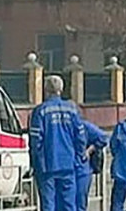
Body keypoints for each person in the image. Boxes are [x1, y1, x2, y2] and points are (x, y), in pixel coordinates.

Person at [30, 75, 86, 211]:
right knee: (68, 204)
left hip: (47, 165)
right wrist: (79, 157)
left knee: (48, 204)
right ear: (61, 89)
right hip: (68, 163)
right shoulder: (72, 110)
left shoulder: (40, 111)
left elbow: (35, 141)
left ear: (45, 90)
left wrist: (35, 162)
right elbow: (80, 136)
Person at [74, 105, 109, 211]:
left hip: (81, 169)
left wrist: (90, 149)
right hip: (74, 169)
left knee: (79, 202)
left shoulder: (84, 126)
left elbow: (103, 137)